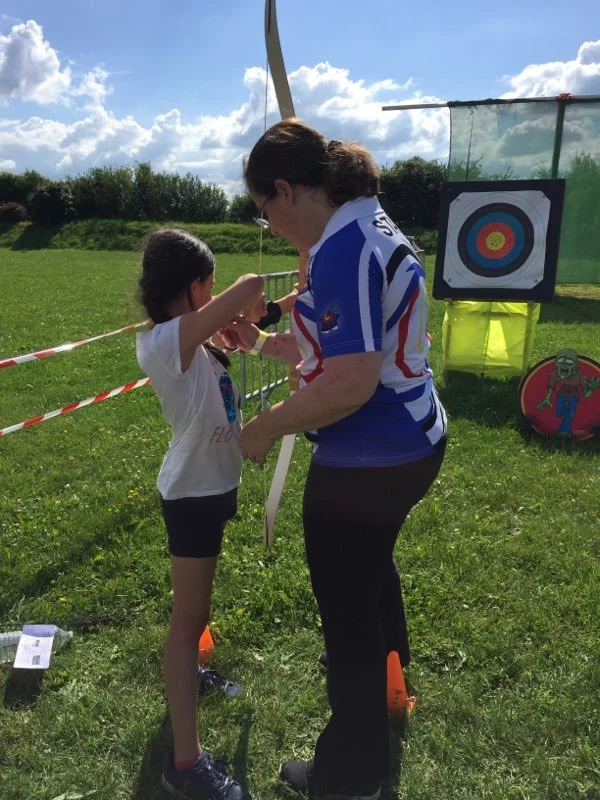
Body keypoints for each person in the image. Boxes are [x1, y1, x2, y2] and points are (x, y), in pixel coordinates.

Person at [230, 120, 447, 800]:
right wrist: (262, 347)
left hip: (373, 453)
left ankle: (354, 774)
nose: (272, 227)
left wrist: (265, 425)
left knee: (347, 615)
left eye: (266, 214)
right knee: (368, 570)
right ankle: (390, 679)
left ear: (286, 191)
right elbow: (339, 349)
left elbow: (351, 381)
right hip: (408, 440)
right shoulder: (363, 223)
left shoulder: (343, 246)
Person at [136, 228, 263, 800]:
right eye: (208, 288)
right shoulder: (164, 342)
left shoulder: (198, 340)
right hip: (190, 494)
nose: (214, 298)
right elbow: (248, 288)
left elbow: (237, 330)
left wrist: (260, 322)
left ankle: (191, 671)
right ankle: (183, 764)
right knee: (186, 623)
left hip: (211, 487)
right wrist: (252, 291)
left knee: (196, 611)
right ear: (192, 289)